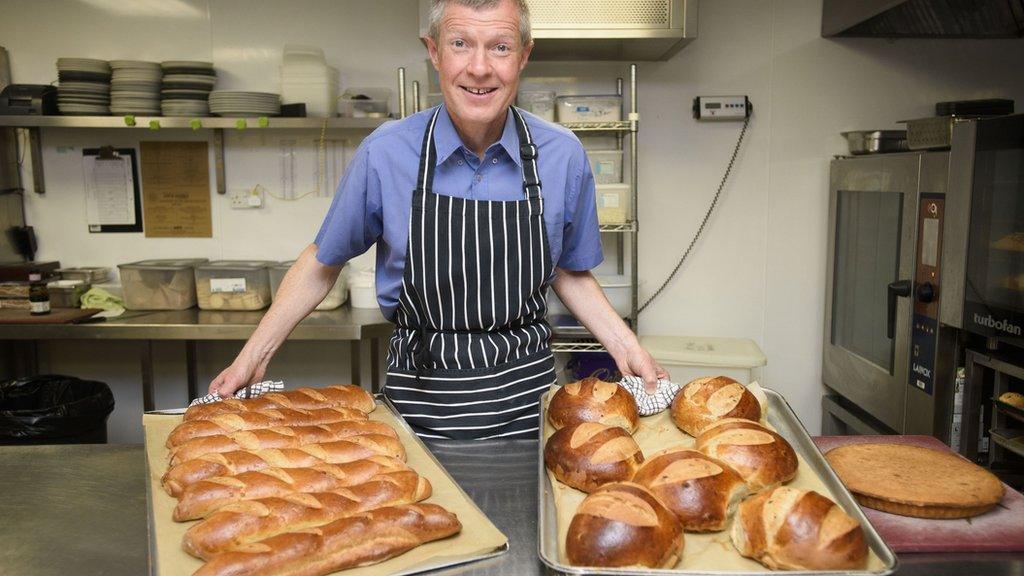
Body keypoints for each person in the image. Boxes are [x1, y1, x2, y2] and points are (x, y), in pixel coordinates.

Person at [209, 0, 666, 439]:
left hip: (528, 410)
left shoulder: (562, 155)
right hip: (417, 408)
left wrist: (629, 351)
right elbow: (323, 261)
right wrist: (253, 356)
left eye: (501, 47)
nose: (480, 68)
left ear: (524, 56)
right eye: (460, 44)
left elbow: (569, 270)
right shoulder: (386, 152)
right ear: (434, 52)